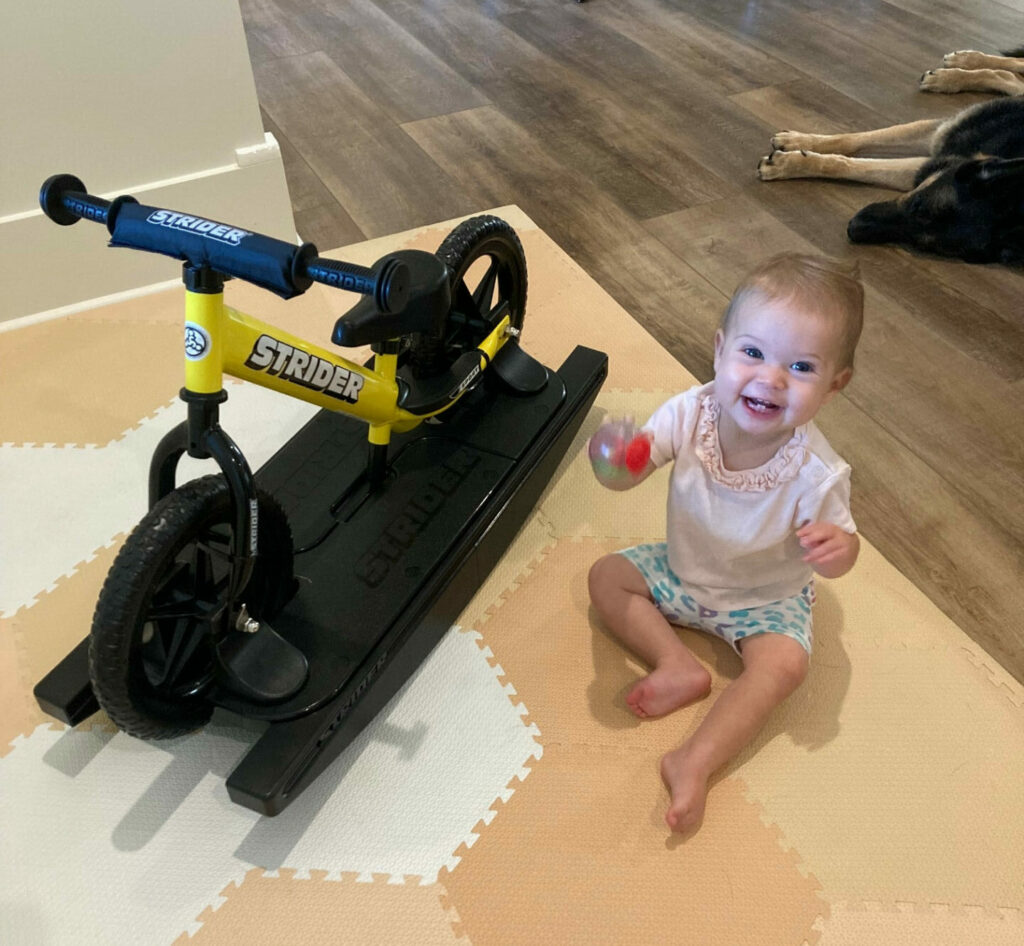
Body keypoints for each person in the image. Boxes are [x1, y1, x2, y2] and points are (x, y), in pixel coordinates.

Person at [588, 253, 863, 834]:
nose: (770, 378)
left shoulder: (817, 471)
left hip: (766, 598)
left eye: (802, 366)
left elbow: (845, 546)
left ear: (835, 385)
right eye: (753, 353)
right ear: (720, 350)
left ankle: (696, 760)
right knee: (604, 577)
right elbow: (638, 462)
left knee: (786, 666)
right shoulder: (691, 413)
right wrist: (618, 461)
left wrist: (839, 549)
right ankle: (677, 664)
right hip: (683, 571)